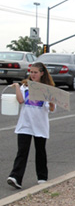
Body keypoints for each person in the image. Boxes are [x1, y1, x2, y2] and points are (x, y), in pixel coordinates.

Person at [7, 62, 56, 190]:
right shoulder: (25, 86)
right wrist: (17, 87)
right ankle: (15, 177)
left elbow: (51, 109)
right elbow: (21, 101)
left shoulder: (47, 89)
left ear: (41, 73)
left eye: (35, 72)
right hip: (25, 124)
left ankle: (42, 177)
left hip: (40, 125)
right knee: (22, 151)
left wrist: (51, 102)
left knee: (40, 151)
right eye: (31, 72)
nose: (33, 75)